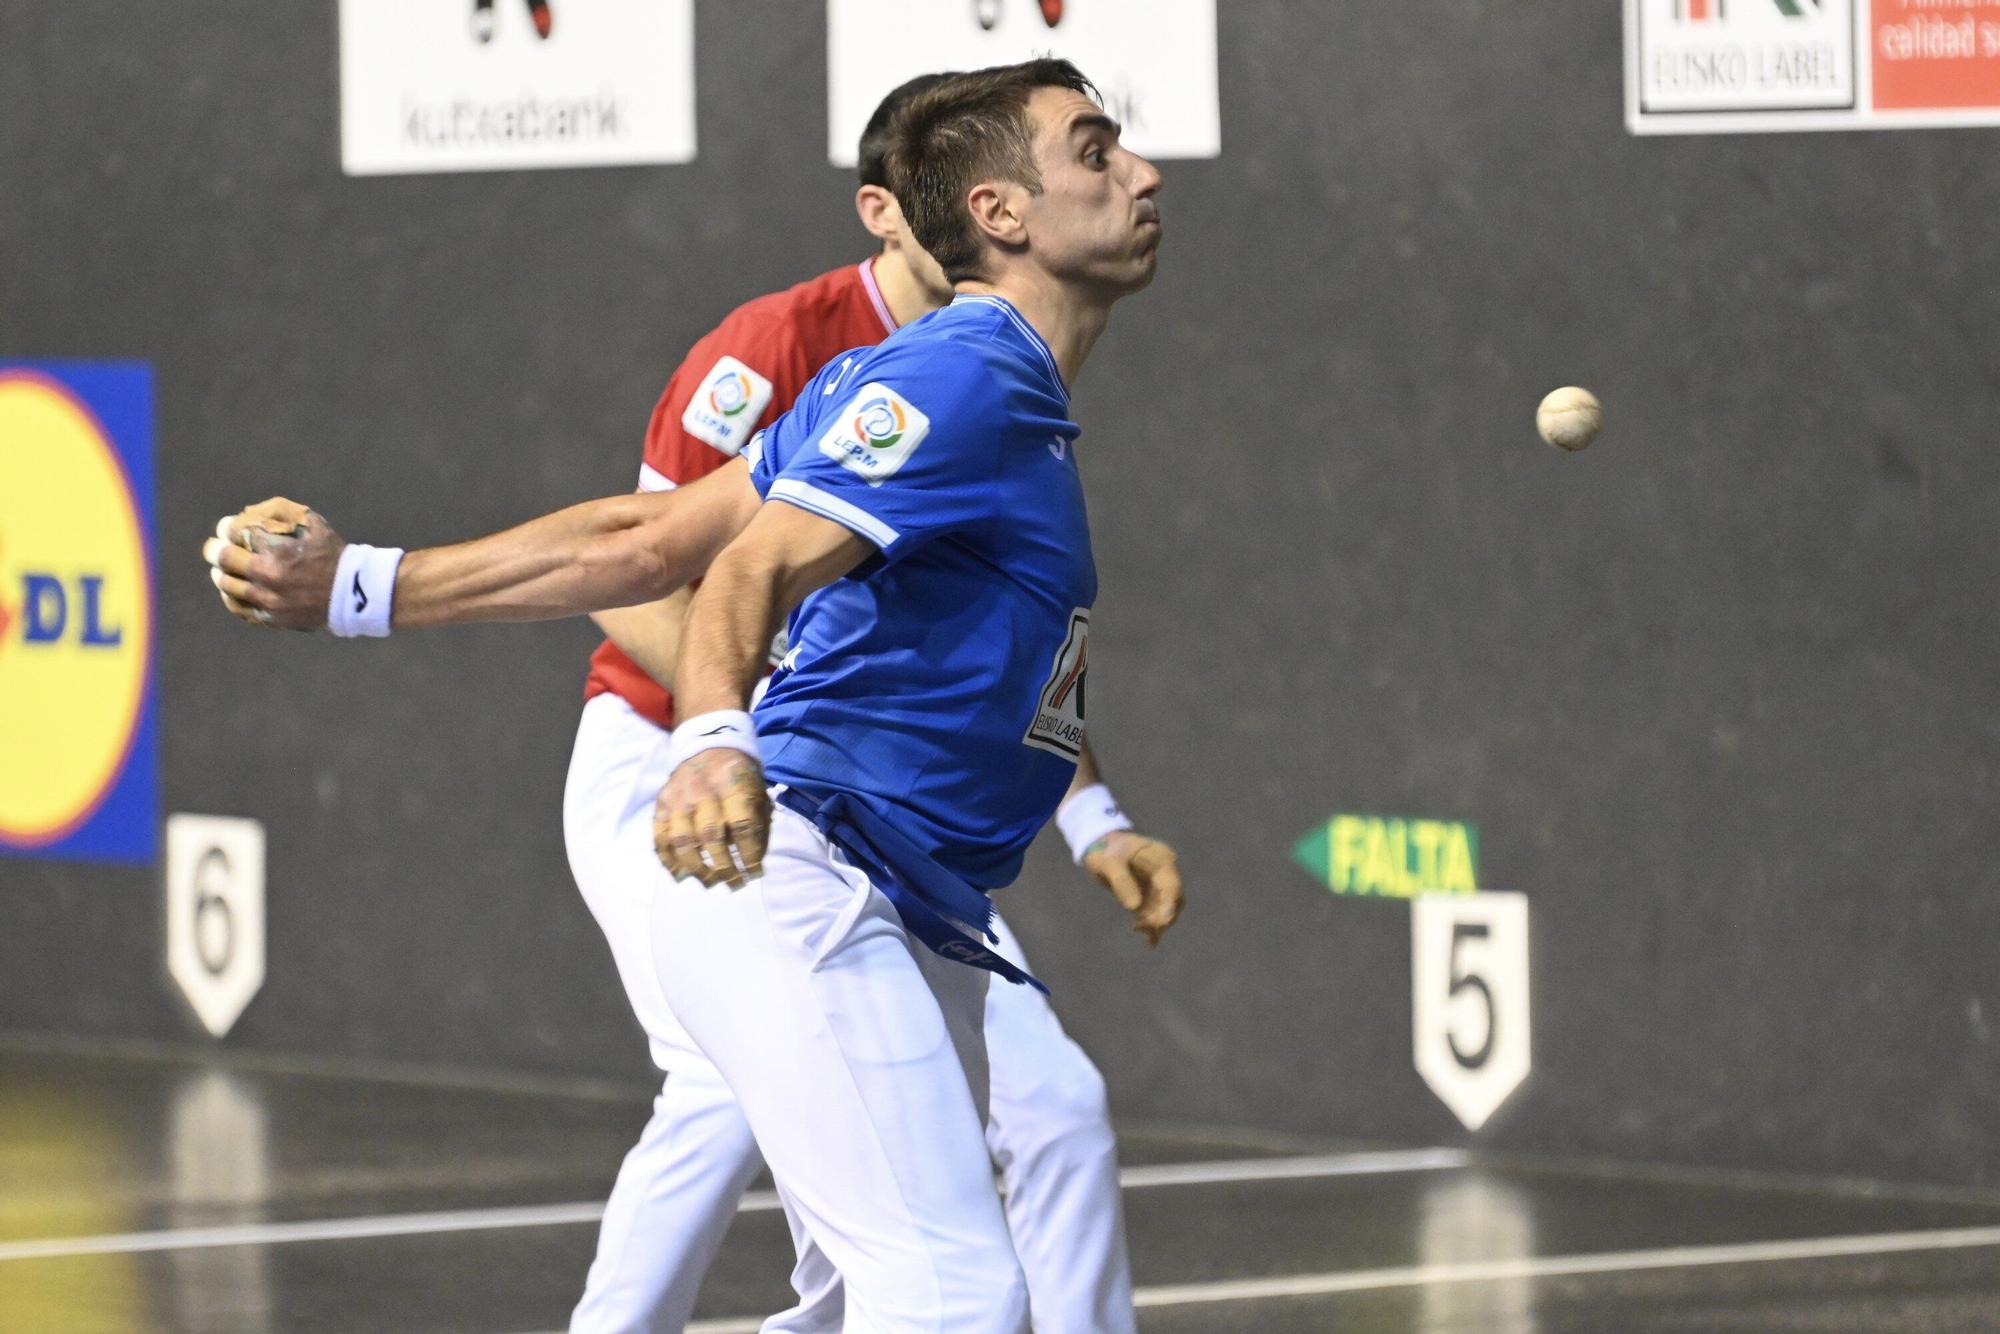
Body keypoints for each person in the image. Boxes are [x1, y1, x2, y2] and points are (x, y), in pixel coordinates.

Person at [205, 59, 1174, 1331]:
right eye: (1097, 152)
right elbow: (736, 568)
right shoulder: (961, 372)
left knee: (897, 1267)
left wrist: (364, 583)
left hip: (908, 898)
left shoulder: (970, 386)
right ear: (999, 213)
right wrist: (718, 738)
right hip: (793, 866)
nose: (1144, 172)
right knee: (949, 1288)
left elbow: (650, 536)